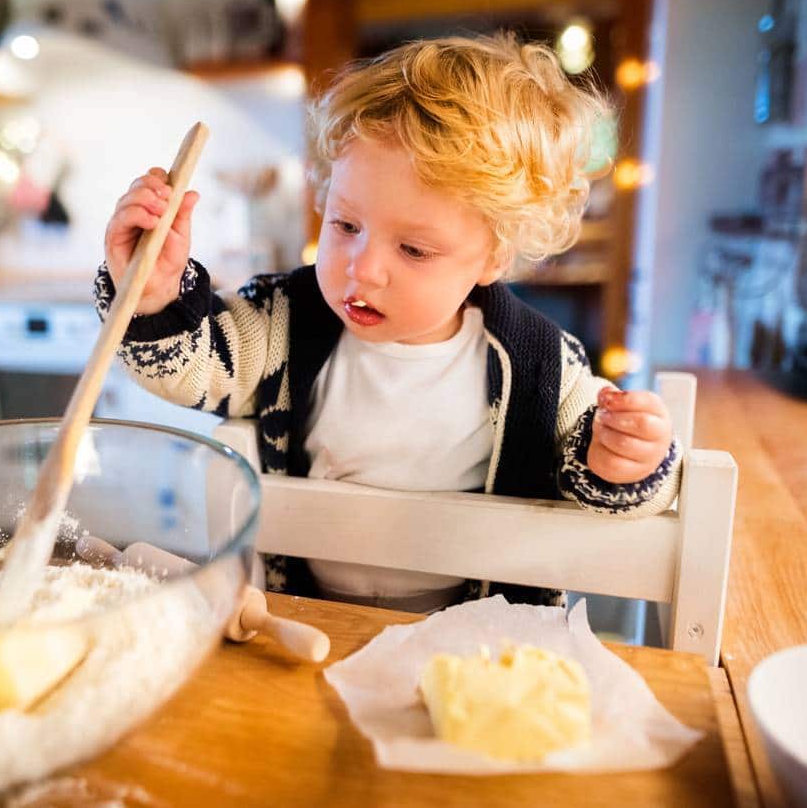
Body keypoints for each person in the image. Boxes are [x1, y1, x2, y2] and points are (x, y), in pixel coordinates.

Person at [94, 34, 680, 612]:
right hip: (307, 618)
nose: (364, 269)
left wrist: (625, 461)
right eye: (346, 226)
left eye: (415, 251)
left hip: (476, 643)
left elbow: (613, 490)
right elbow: (186, 367)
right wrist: (149, 292)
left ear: (495, 257)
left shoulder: (542, 364)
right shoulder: (280, 323)